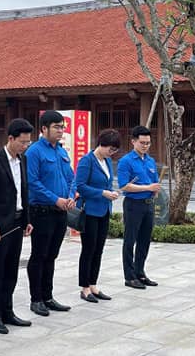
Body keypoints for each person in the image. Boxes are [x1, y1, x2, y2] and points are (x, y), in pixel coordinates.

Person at [0, 118, 35, 333]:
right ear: (11, 138)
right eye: (22, 142)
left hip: (17, 221)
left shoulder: (23, 160)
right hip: (0, 225)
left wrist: (27, 220)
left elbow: (24, 191)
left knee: (11, 269)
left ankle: (7, 311)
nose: (25, 146)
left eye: (28, 142)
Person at [25, 110, 76, 317]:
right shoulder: (34, 152)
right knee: (39, 255)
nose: (61, 131)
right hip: (42, 211)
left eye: (62, 127)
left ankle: (48, 296)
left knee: (52, 255)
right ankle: (36, 299)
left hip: (61, 212)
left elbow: (71, 177)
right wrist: (55, 199)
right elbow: (32, 182)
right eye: (56, 127)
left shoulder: (61, 151)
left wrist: (71, 196)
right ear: (44, 128)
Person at [75, 129, 121, 303]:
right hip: (90, 211)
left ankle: (93, 284)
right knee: (88, 249)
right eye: (110, 149)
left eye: (115, 150)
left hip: (104, 210)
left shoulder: (107, 161)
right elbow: (80, 186)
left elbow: (107, 183)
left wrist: (111, 193)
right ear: (102, 144)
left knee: (99, 249)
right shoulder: (87, 161)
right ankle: (84, 288)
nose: (112, 153)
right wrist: (102, 193)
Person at [117, 126, 163, 289]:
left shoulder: (150, 161)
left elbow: (154, 181)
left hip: (148, 205)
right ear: (133, 141)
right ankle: (129, 277)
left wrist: (155, 190)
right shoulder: (126, 161)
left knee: (144, 240)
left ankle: (140, 273)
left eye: (148, 143)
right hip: (133, 205)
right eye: (142, 143)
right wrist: (147, 188)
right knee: (130, 241)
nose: (145, 146)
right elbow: (124, 186)